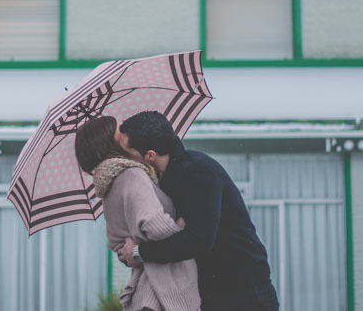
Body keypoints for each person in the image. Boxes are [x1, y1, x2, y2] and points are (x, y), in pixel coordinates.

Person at [115, 111, 279, 311]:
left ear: (150, 155)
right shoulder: (160, 181)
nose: (122, 157)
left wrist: (139, 252)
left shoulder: (198, 172)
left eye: (126, 151)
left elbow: (198, 241)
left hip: (244, 293)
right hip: (210, 292)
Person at [74, 116, 201, 311]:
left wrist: (137, 250)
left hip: (150, 287)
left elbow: (117, 243)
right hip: (162, 290)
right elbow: (154, 224)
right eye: (121, 130)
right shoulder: (132, 175)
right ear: (112, 143)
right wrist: (183, 228)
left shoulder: (108, 185)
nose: (127, 132)